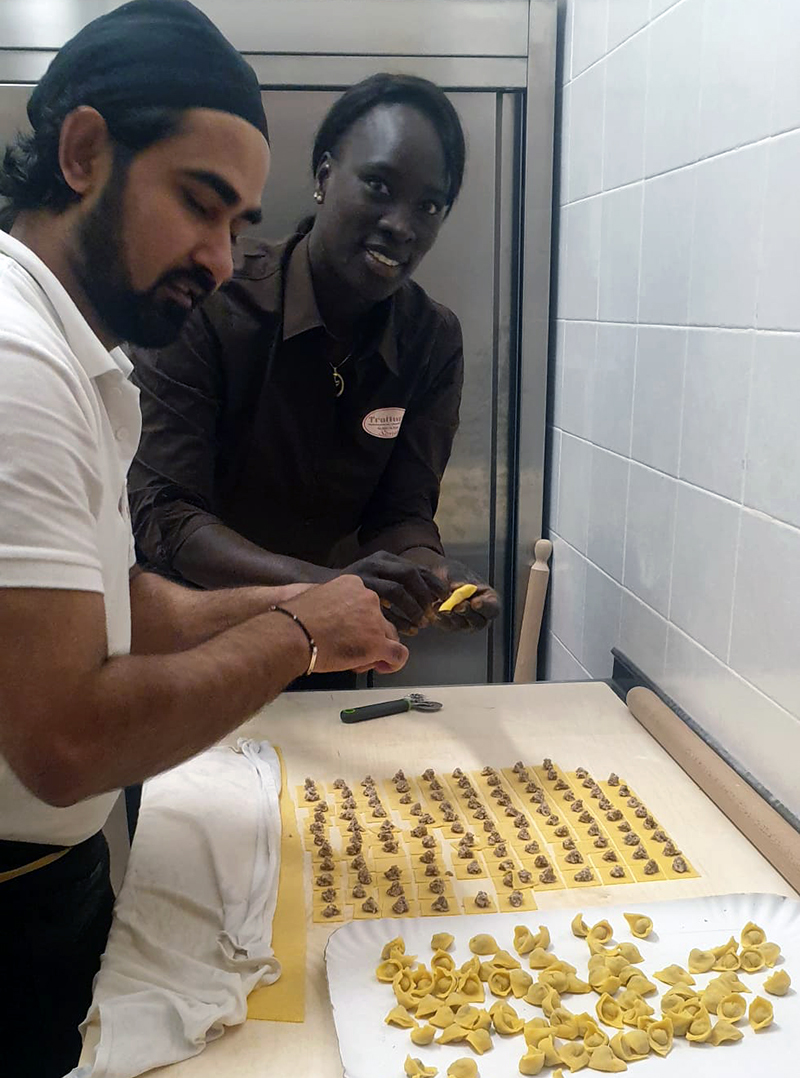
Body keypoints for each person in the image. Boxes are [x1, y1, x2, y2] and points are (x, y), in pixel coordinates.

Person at [0, 3, 406, 1073]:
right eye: (198, 204)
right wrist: (297, 638)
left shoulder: (71, 353)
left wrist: (291, 610)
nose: (221, 259)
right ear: (85, 151)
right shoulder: (17, 364)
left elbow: (113, 606)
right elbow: (65, 740)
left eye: (238, 225)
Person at [128, 74, 501, 640]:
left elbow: (400, 514)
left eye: (429, 205)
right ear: (325, 176)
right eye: (378, 185)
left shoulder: (431, 340)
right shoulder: (214, 302)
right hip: (192, 636)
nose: (402, 224)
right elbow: (165, 516)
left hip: (328, 644)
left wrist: (433, 573)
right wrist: (325, 589)